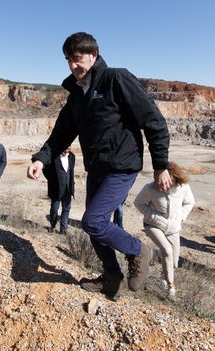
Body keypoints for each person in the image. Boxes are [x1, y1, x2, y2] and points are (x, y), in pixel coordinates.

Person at [27, 32, 172, 301]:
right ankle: (111, 277)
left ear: (93, 55)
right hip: (96, 168)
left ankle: (138, 250)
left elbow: (153, 120)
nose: (72, 66)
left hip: (121, 166)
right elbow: (61, 134)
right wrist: (40, 158)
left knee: (93, 222)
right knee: (93, 225)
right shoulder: (76, 96)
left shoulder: (116, 79)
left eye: (77, 58)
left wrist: (160, 164)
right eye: (68, 60)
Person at [134, 162, 195, 300]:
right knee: (166, 250)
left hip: (173, 228)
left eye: (171, 180)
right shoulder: (150, 188)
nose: (166, 184)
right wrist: (155, 217)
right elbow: (138, 203)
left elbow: (190, 202)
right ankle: (171, 287)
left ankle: (164, 278)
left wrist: (180, 218)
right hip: (153, 225)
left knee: (174, 262)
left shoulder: (183, 187)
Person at [43, 147, 76, 234]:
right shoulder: (54, 157)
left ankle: (63, 229)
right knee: (54, 208)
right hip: (56, 189)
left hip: (68, 188)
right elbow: (45, 169)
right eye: (65, 148)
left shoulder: (72, 157)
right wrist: (52, 180)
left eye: (69, 149)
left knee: (66, 208)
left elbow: (71, 171)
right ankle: (52, 225)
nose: (66, 151)